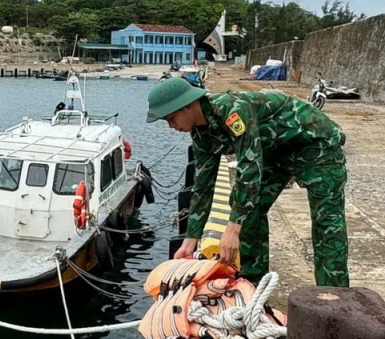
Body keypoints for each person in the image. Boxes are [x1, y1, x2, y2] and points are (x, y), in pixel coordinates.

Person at [146, 77, 350, 287]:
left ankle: (334, 295)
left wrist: (232, 230)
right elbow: (203, 186)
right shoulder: (201, 136)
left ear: (188, 105)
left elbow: (250, 167)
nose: (171, 126)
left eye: (171, 118)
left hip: (314, 144)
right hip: (274, 152)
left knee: (327, 222)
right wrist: (190, 240)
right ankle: (252, 284)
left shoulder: (232, 110)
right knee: (248, 211)